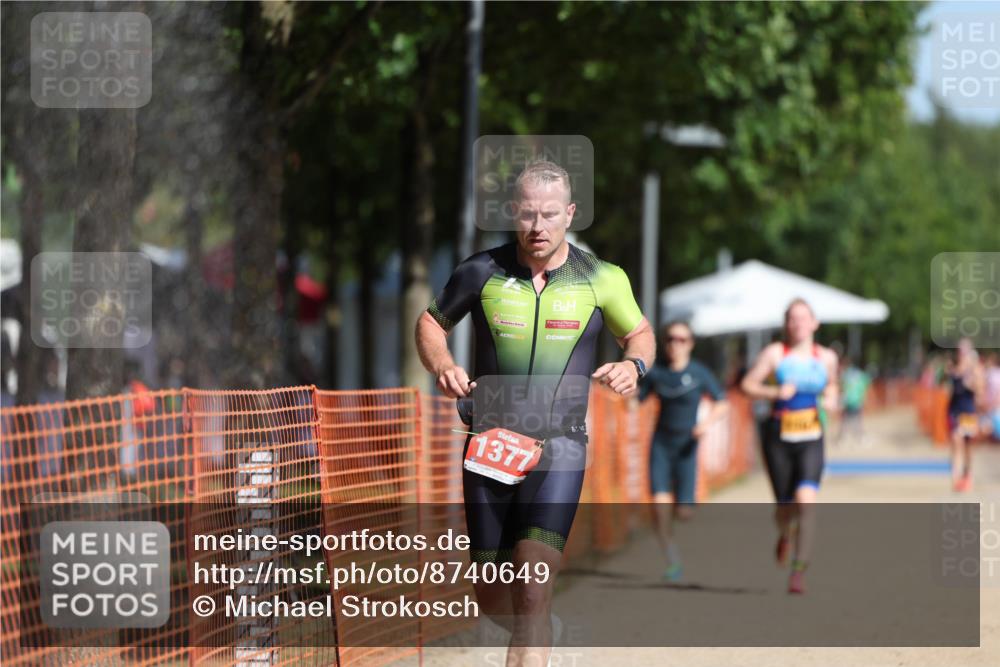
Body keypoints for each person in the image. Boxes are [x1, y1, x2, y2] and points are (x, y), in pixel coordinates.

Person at [415, 159, 655, 665]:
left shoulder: (602, 278)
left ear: (570, 213)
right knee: (495, 598)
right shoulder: (480, 271)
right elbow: (431, 324)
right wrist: (442, 366)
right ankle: (548, 630)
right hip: (488, 447)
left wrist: (634, 365)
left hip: (560, 450)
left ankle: (538, 626)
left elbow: (639, 334)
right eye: (527, 214)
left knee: (531, 586)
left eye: (549, 214)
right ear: (511, 212)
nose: (537, 226)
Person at [741, 298, 839, 595]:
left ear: (814, 323)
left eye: (803, 318)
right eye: (792, 319)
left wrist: (832, 397)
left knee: (806, 502)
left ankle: (799, 571)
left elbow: (832, 385)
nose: (798, 324)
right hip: (778, 438)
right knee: (785, 507)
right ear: (787, 324)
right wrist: (774, 391)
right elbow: (747, 385)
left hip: (812, 436)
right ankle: (785, 533)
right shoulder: (775, 354)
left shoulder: (827, 357)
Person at [637, 321, 727, 581]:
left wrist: (705, 424)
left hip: (687, 447)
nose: (675, 344)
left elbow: (723, 403)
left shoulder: (699, 373)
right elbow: (636, 401)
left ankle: (679, 517)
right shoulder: (657, 374)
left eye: (682, 340)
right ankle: (672, 560)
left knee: (684, 513)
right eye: (671, 339)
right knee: (659, 508)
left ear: (690, 344)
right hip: (661, 446)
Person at [946, 338, 985, 492]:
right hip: (954, 411)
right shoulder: (953, 367)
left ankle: (967, 475)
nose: (961, 353)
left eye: (964, 350)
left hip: (968, 412)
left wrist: (972, 382)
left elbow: (980, 391)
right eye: (960, 350)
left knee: (967, 446)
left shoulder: (975, 369)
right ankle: (955, 479)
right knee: (956, 441)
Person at [836, 357, 871, 447]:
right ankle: (859, 437)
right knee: (857, 420)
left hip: (847, 400)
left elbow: (841, 385)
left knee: (845, 421)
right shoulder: (861, 375)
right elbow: (865, 387)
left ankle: (843, 438)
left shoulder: (846, 374)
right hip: (856, 401)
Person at [983, 352, 1000, 443]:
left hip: (993, 403)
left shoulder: (991, 373)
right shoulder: (995, 373)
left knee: (991, 424)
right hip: (994, 403)